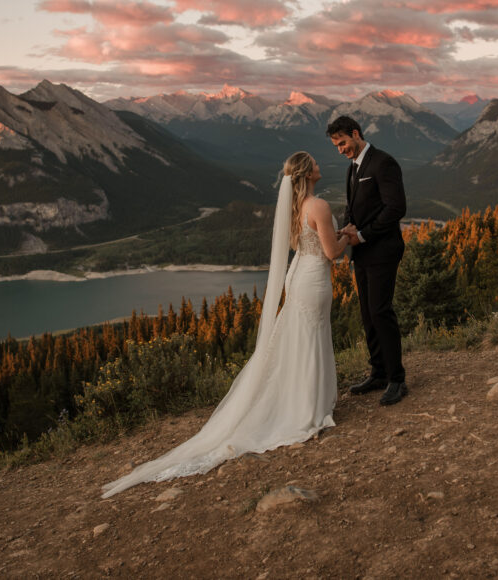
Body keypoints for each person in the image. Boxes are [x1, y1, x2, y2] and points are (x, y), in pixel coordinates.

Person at [102, 152, 348, 497]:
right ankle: (308, 408)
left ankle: (308, 401)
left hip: (299, 278)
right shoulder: (318, 206)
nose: (322, 166)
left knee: (301, 340)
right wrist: (349, 235)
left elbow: (302, 247)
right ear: (308, 173)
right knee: (311, 338)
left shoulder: (294, 208)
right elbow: (332, 253)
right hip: (314, 280)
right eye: (316, 163)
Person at [327, 115, 408, 406]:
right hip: (361, 250)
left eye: (343, 143)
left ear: (356, 133)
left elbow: (396, 207)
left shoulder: (383, 162)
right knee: (367, 313)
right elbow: (353, 205)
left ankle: (397, 379)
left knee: (381, 311)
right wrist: (349, 227)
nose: (341, 150)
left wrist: (362, 234)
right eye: (336, 146)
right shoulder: (353, 167)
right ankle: (378, 372)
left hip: (383, 249)